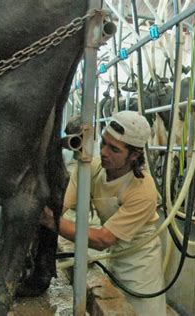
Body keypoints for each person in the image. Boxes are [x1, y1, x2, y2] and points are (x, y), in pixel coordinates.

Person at [41, 110, 166, 316]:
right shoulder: (93, 168)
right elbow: (60, 206)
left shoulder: (142, 191)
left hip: (140, 266)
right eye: (104, 143)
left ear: (134, 155)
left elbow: (102, 239)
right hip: (114, 257)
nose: (104, 152)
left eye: (114, 149)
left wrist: (52, 221)